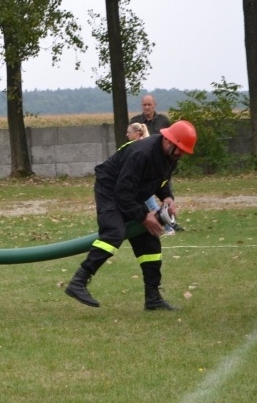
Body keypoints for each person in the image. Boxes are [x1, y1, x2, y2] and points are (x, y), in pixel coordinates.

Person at [64, 120, 197, 310]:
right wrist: (144, 216)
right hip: (110, 190)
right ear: (169, 142)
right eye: (180, 150)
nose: (182, 154)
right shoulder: (141, 153)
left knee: (150, 243)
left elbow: (161, 180)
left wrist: (167, 198)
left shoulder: (170, 156)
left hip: (130, 193)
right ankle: (78, 282)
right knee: (114, 232)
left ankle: (153, 299)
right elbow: (122, 192)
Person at [126, 123, 176, 235]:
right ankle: (169, 227)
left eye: (129, 133)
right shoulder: (144, 149)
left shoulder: (145, 149)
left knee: (152, 205)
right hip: (137, 188)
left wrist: (167, 196)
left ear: (137, 133)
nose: (127, 135)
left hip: (142, 186)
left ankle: (169, 227)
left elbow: (161, 176)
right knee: (152, 206)